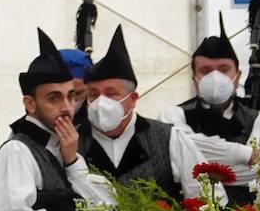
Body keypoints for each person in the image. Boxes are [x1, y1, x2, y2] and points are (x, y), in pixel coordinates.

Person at [0, 29, 112, 211]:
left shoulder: (65, 144)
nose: (66, 107)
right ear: (30, 104)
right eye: (54, 98)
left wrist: (72, 160)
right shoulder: (17, 150)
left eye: (71, 96)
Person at [81, 26, 216, 201]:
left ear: (133, 99)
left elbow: (205, 196)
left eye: (111, 94)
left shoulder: (168, 138)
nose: (101, 102)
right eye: (93, 95)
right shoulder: (73, 142)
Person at [159, 18, 260, 205]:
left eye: (223, 69)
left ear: (237, 76)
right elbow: (171, 164)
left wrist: (193, 162)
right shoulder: (172, 116)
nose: (215, 77)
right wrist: (245, 155)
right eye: (206, 70)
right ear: (194, 78)